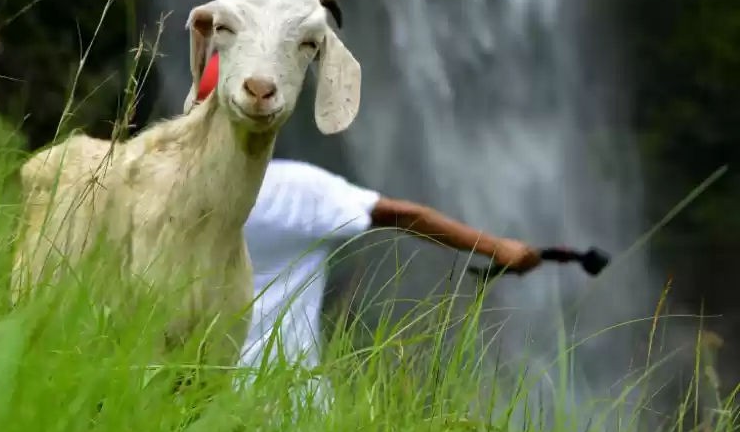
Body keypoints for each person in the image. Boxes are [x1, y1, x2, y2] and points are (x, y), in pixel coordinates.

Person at [194, 51, 543, 373]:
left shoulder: (183, 193)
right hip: (291, 392)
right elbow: (404, 216)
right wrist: (499, 248)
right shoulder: (299, 190)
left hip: (212, 393)